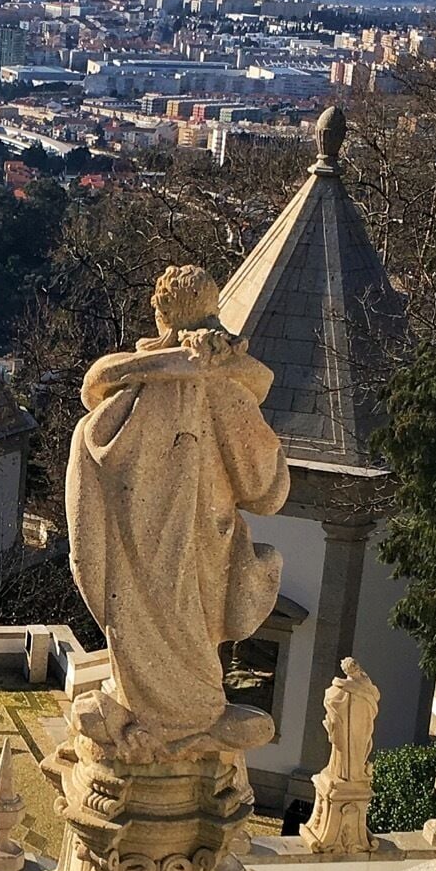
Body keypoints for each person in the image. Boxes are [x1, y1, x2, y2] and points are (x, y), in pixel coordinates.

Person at [66, 263, 289, 757]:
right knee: (196, 633)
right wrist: (217, 368)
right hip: (205, 550)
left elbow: (94, 394)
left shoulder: (121, 404)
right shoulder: (226, 393)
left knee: (149, 629)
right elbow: (267, 491)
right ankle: (192, 721)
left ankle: (149, 718)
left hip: (133, 564)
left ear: (158, 311)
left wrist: (157, 366)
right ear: (212, 310)